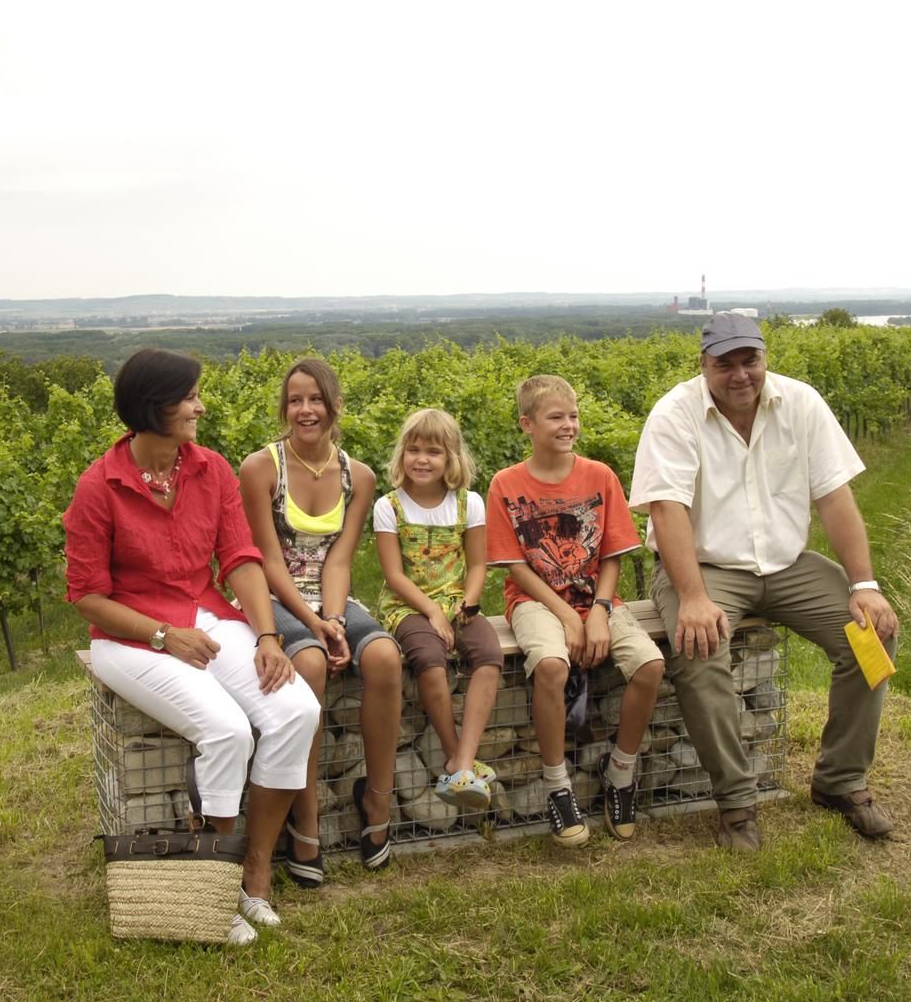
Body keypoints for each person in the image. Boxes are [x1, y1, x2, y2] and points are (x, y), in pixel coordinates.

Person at [64, 348, 320, 946]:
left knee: (297, 710)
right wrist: (162, 635)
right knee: (228, 730)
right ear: (154, 407)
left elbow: (239, 558)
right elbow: (86, 596)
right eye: (190, 397)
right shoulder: (98, 487)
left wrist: (267, 635)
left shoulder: (211, 469)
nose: (200, 407)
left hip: (207, 616)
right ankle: (211, 884)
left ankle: (253, 873)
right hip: (130, 637)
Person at [630, 313, 900, 853]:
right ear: (703, 365)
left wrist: (864, 582)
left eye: (749, 360)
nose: (739, 374)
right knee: (699, 646)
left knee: (871, 632)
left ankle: (840, 781)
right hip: (704, 566)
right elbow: (667, 508)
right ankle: (736, 803)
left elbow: (835, 499)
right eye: (723, 364)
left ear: (764, 357)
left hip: (786, 563)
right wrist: (693, 597)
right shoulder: (675, 412)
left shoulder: (801, 403)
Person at [239, 358, 404, 878]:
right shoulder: (260, 468)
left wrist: (332, 618)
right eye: (295, 400)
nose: (305, 410)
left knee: (383, 656)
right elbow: (266, 559)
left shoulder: (359, 476)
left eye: (315, 399)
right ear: (284, 409)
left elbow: (338, 559)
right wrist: (315, 629)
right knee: (308, 664)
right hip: (273, 597)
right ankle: (303, 818)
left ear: (334, 405)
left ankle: (378, 800)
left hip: (327, 596)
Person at [486, 375, 665, 846]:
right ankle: (556, 786)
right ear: (527, 424)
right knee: (549, 665)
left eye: (574, 416)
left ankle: (620, 776)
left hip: (596, 596)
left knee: (649, 666)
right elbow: (514, 568)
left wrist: (600, 611)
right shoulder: (505, 484)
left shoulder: (600, 476)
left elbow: (611, 555)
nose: (569, 425)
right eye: (556, 417)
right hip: (534, 599)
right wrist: (567, 618)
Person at [372, 407, 505, 811]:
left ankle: (461, 762)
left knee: (489, 655)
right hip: (409, 604)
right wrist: (432, 612)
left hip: (456, 600)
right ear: (402, 456)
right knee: (429, 657)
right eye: (413, 450)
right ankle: (457, 761)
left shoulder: (469, 504)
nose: (422, 459)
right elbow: (394, 575)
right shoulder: (389, 506)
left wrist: (464, 606)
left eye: (433, 451)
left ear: (451, 458)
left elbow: (478, 565)